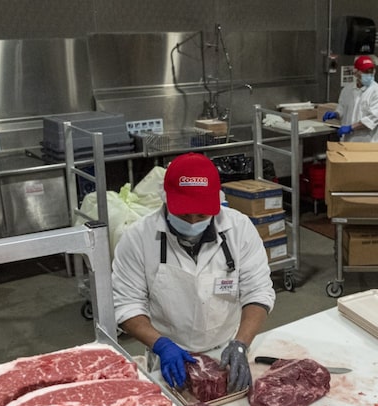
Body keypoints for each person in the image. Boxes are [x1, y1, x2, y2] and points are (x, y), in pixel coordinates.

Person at [111, 152, 275, 392]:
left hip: (227, 350)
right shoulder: (137, 239)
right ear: (165, 199)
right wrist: (161, 345)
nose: (191, 222)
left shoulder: (239, 229)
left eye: (201, 214)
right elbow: (126, 304)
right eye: (183, 213)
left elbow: (258, 290)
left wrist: (241, 343)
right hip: (169, 356)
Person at [322, 55, 378, 142]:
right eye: (365, 71)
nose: (369, 74)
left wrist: (350, 127)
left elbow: (371, 119)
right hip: (348, 141)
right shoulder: (347, 90)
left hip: (369, 144)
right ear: (355, 72)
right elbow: (342, 110)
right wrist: (335, 114)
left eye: (371, 71)